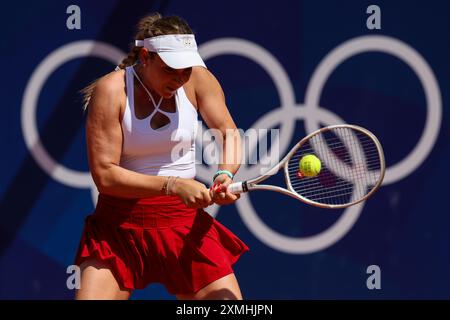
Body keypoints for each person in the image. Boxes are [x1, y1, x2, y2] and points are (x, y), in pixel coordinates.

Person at [74, 13, 249, 300]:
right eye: (171, 69)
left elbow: (228, 132)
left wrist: (225, 174)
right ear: (146, 57)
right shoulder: (111, 90)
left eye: (186, 70)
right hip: (117, 228)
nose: (179, 79)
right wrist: (173, 185)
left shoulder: (199, 80)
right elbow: (105, 176)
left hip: (184, 225)